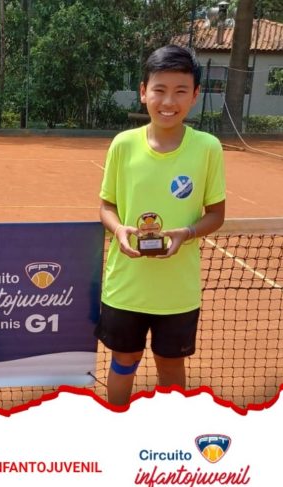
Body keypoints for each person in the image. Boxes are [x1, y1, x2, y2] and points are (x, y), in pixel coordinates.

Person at [95, 45, 226, 406]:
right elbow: (107, 206)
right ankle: (116, 423)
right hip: (125, 287)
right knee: (124, 361)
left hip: (177, 292)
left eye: (181, 91)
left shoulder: (208, 148)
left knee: (170, 366)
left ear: (195, 95)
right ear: (143, 92)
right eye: (159, 90)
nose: (169, 101)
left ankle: (169, 432)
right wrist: (119, 230)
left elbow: (216, 214)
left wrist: (187, 233)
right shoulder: (123, 145)